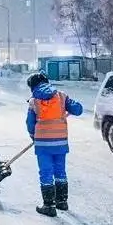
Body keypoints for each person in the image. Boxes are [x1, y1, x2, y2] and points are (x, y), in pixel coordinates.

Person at [25, 72, 83, 217]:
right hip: (60, 142)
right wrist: (67, 107)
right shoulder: (61, 96)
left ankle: (49, 205)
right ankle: (62, 202)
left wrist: (33, 136)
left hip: (43, 144)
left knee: (46, 172)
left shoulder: (34, 101)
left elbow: (30, 124)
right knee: (60, 171)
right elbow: (78, 109)